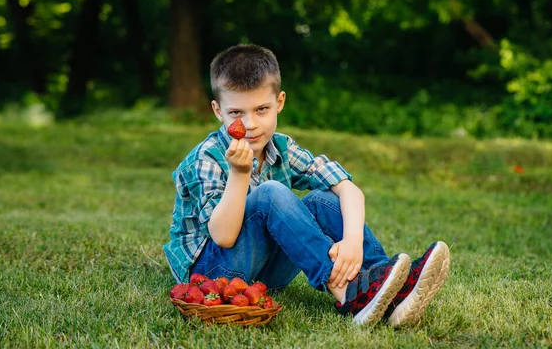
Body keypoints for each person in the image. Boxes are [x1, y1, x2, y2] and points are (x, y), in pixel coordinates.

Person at [163, 44, 450, 327]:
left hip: (266, 271)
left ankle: (384, 284)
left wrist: (351, 241)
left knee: (324, 198)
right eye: (236, 113)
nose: (249, 123)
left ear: (280, 102)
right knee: (271, 194)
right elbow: (223, 236)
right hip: (213, 275)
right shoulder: (206, 158)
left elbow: (348, 188)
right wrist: (239, 173)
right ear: (217, 110)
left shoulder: (282, 147)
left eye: (262, 109)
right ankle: (349, 294)